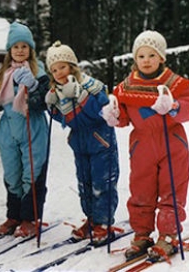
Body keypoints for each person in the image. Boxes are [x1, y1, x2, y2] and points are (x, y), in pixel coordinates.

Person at [102, 30, 189, 261]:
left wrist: (174, 106)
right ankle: (142, 234)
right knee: (141, 190)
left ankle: (167, 235)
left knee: (172, 189)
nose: (146, 60)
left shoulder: (173, 83)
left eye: (151, 55)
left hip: (172, 142)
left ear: (161, 58)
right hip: (142, 145)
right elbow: (124, 116)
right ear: (135, 59)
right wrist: (114, 116)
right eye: (141, 56)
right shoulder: (126, 87)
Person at [44, 41, 122, 241]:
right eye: (54, 69)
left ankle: (104, 222)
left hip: (100, 140)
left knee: (101, 182)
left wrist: (80, 94)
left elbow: (99, 112)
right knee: (85, 184)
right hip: (79, 142)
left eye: (62, 66)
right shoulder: (59, 92)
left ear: (72, 65)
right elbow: (66, 119)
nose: (59, 72)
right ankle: (91, 219)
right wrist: (52, 108)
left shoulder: (91, 85)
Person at [0, 22, 50, 238]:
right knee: (12, 175)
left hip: (33, 129)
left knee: (32, 173)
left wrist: (33, 87)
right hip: (9, 131)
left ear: (31, 49)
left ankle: (29, 218)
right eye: (16, 46)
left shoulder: (39, 71)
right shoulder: (4, 73)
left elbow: (44, 102)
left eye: (24, 46)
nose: (20, 50)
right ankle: (14, 215)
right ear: (9, 50)